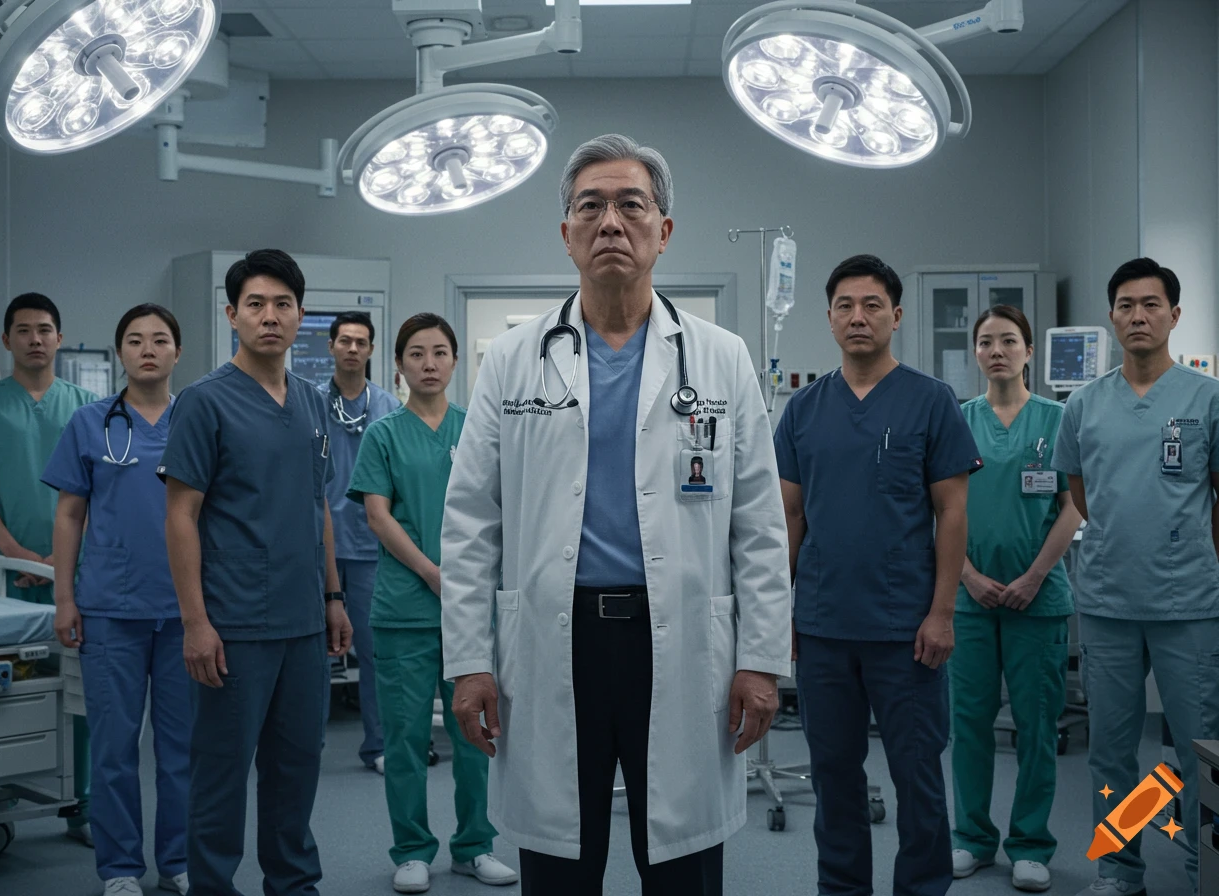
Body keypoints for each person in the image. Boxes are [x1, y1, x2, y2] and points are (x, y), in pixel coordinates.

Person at [442, 134, 792, 895]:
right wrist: (470, 660)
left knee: (683, 860)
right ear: (565, 233)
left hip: (681, 634)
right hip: (552, 636)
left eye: (631, 205)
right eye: (589, 207)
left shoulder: (721, 357)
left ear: (663, 232)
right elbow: (471, 522)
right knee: (561, 858)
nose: (610, 222)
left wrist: (761, 659)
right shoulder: (513, 359)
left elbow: (760, 523)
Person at [774, 254, 982, 896]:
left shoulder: (930, 400)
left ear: (895, 315)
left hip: (907, 631)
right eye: (844, 305)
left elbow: (952, 510)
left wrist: (943, 612)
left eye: (871, 305)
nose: (857, 317)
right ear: (830, 318)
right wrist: (778, 614)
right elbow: (790, 518)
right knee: (834, 779)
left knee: (918, 779)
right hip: (824, 628)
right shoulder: (803, 410)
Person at [159, 249, 352, 896]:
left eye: (283, 305)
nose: (270, 317)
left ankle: (293, 885)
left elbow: (317, 502)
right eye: (256, 305)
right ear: (232, 315)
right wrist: (195, 623)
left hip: (301, 620)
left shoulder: (311, 403)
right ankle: (212, 886)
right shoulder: (204, 403)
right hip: (233, 622)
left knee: (297, 768)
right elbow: (181, 515)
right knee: (220, 773)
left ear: (301, 317)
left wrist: (333, 596)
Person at [1053, 257, 1219, 896]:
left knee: (1195, 752)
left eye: (1151, 304)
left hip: (1189, 607)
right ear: (1112, 316)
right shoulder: (1086, 405)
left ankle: (1207, 867)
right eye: (1126, 305)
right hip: (1109, 603)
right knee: (1111, 756)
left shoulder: (1206, 399)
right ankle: (1119, 870)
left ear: (1174, 316)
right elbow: (1082, 494)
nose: (1138, 315)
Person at [347, 313, 515, 894]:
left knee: (476, 735)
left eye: (440, 352)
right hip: (403, 610)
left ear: (456, 361)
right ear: (398, 365)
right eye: (416, 354)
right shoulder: (384, 434)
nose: (429, 363)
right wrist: (430, 571)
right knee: (406, 737)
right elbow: (376, 514)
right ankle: (412, 849)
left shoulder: (476, 430)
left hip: (469, 609)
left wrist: (467, 581)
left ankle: (474, 845)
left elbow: (497, 511)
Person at [42, 304, 192, 896]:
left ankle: (178, 860)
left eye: (160, 340)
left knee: (183, 748)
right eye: (134, 340)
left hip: (186, 613)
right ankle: (121, 868)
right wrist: (64, 599)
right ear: (120, 353)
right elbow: (69, 513)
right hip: (109, 609)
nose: (148, 349)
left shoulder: (198, 420)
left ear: (178, 351)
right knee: (112, 748)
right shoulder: (88, 423)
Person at [0, 291, 98, 845]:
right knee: (5, 689)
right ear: (5, 339)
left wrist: (60, 560)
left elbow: (100, 488)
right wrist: (15, 553)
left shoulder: (86, 406)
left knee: (78, 693)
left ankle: (84, 805)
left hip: (73, 570)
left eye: (45, 329)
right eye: (24, 330)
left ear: (59, 338)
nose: (35, 339)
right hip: (4, 576)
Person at [951, 305, 1082, 892]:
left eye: (1009, 340)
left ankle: (1030, 843)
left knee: (1035, 728)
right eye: (986, 342)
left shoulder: (1060, 420)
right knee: (969, 724)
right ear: (975, 353)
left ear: (1029, 351)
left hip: (1040, 597)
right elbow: (939, 510)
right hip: (969, 597)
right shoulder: (956, 421)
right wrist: (968, 577)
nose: (997, 350)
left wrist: (1033, 577)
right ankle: (972, 838)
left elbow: (1073, 506)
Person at [317, 310, 400, 775]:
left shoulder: (389, 408)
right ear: (331, 347)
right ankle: (304, 746)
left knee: (374, 653)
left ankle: (379, 746)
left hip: (370, 549)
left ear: (370, 350)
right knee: (309, 656)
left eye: (360, 342)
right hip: (318, 547)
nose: (351, 348)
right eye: (344, 341)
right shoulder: (307, 403)